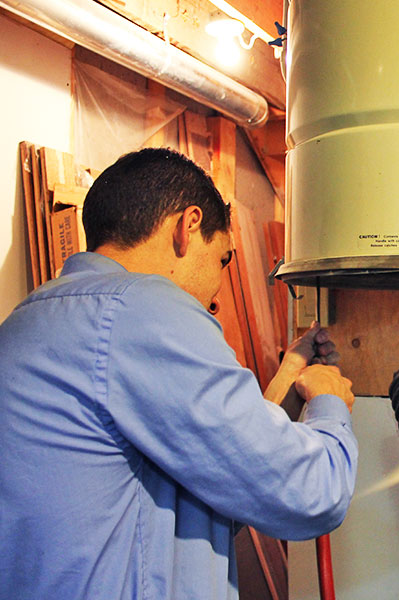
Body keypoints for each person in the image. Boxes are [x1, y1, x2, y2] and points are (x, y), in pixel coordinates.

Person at [0, 148, 358, 599]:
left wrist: (288, 375)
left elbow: (211, 474)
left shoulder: (28, 322)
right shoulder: (143, 309)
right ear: (188, 226)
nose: (217, 292)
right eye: (224, 260)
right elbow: (309, 493)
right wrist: (328, 403)